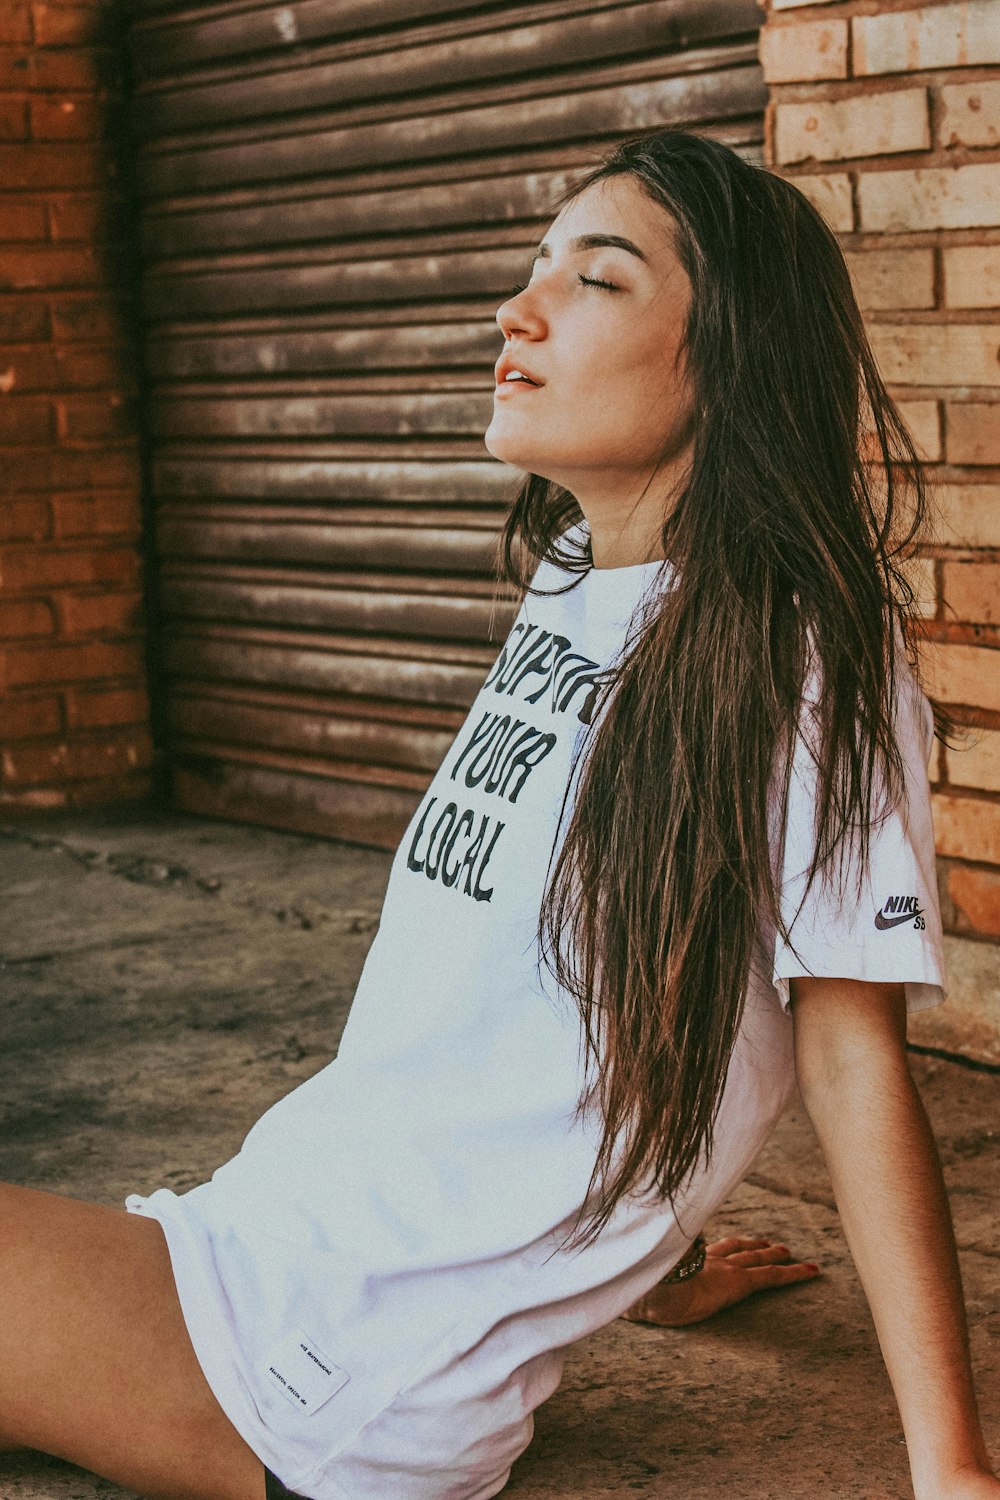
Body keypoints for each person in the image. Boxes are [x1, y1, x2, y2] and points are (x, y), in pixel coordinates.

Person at [0, 128, 996, 1500]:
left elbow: (845, 1053)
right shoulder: (585, 572)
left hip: (332, 1355)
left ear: (728, 357)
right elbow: (592, 989)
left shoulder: (800, 648)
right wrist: (654, 1252)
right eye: (532, 266)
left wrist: (953, 1473)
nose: (512, 311)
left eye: (594, 278)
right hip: (280, 1249)